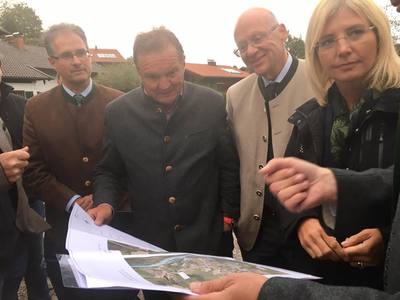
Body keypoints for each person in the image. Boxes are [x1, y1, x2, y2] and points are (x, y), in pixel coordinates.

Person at [88, 27, 240, 299]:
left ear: (183, 61)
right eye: (152, 77)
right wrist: (105, 202)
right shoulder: (119, 113)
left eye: (172, 72)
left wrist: (229, 214)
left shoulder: (212, 104)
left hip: (207, 241)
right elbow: (109, 170)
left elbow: (228, 164)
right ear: (138, 71)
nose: (164, 84)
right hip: (152, 249)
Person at [281, 0, 400, 288]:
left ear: (380, 37)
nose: (343, 48)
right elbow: (287, 188)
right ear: (317, 54)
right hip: (317, 278)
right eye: (328, 41)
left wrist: (388, 238)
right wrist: (302, 222)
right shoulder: (308, 116)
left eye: (355, 32)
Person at [22, 23, 133, 300]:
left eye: (81, 52)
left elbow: (133, 164)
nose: (76, 61)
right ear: (52, 62)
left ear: (90, 54)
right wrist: (72, 201)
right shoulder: (35, 109)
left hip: (117, 230)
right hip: (65, 234)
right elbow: (34, 171)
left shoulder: (120, 103)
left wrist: (105, 197)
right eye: (67, 55)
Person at [226, 7, 315, 272]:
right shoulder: (234, 95)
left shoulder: (322, 79)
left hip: (310, 231)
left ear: (282, 32)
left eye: (257, 39)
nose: (251, 51)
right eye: (242, 46)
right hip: (256, 236)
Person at [0, 60, 50, 299]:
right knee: (10, 273)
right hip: (2, 210)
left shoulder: (21, 105)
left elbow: (39, 150)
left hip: (29, 201)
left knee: (36, 265)